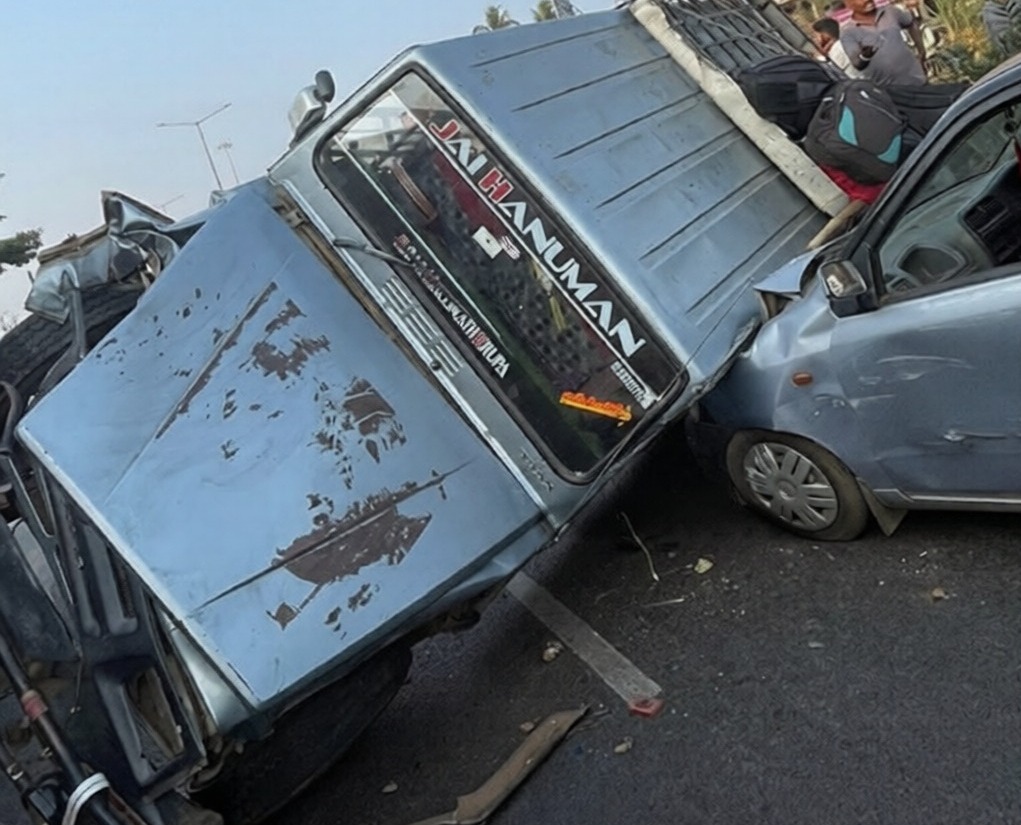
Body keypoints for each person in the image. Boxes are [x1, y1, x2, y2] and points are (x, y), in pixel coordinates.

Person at [839, 0, 927, 85]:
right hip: (890, 89)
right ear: (848, 4)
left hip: (916, 78)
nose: (867, 0)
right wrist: (865, 56)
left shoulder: (890, 11)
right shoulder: (848, 32)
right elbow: (857, 63)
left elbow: (911, 23)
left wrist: (921, 51)